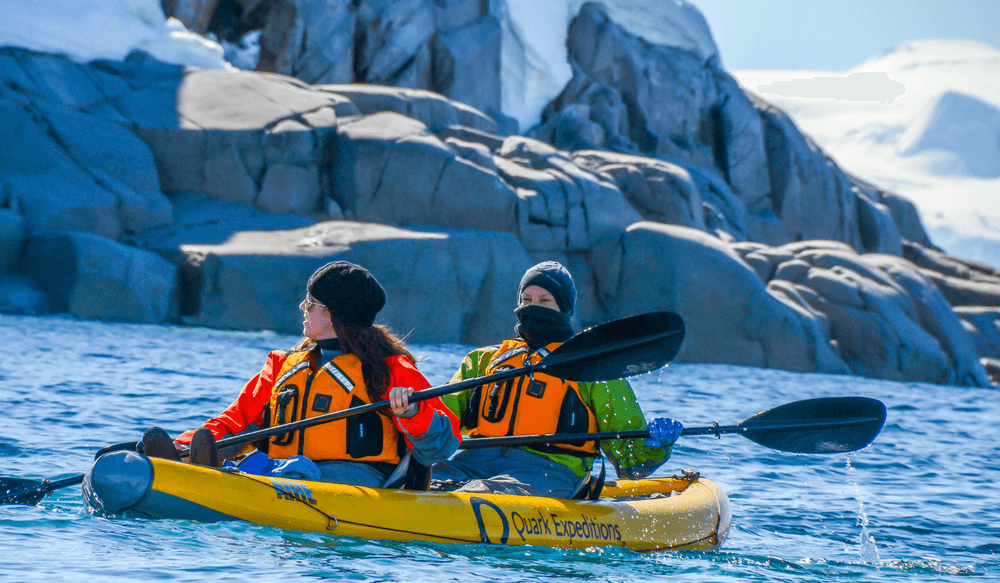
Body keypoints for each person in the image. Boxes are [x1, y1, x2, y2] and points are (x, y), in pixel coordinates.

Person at [142, 261, 461, 488]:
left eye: (310, 302)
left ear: (333, 313)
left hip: (357, 480)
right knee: (268, 463)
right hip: (283, 472)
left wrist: (413, 414)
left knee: (297, 471)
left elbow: (444, 445)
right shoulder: (283, 365)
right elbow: (237, 420)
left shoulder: (389, 369)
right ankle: (187, 462)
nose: (301, 307)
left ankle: (245, 476)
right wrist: (185, 445)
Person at [432, 261, 683, 498]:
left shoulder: (593, 370)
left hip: (550, 471)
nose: (533, 307)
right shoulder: (482, 360)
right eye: (526, 300)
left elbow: (631, 462)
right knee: (422, 479)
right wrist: (414, 411)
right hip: (472, 462)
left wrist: (654, 445)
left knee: (479, 492)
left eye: (545, 300)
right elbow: (440, 419)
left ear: (564, 309)